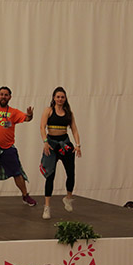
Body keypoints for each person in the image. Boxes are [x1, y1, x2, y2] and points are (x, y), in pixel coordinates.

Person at [0, 86, 36, 207]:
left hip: (8, 148)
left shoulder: (13, 112)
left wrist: (30, 115)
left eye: (6, 95)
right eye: (1, 94)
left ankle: (25, 196)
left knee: (17, 173)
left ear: (10, 97)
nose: (3, 97)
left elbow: (27, 118)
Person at [39, 87, 82, 220]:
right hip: (51, 145)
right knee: (50, 175)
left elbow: (74, 129)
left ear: (65, 98)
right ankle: (47, 207)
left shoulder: (69, 113)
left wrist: (78, 145)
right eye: (58, 97)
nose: (60, 99)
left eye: (62, 97)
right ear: (54, 98)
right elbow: (42, 127)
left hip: (65, 144)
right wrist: (45, 142)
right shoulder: (48, 110)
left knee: (71, 173)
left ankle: (68, 198)